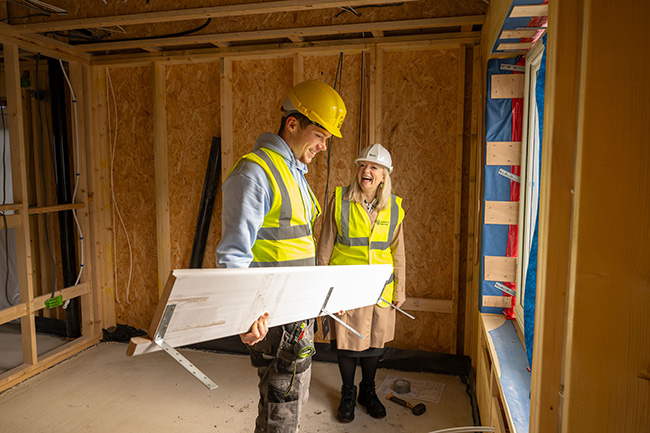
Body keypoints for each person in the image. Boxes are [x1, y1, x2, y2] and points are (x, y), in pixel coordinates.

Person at [215, 80, 346, 433]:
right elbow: (233, 255)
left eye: (326, 139)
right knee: (281, 407)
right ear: (292, 124)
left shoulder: (295, 175)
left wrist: (323, 298)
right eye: (319, 134)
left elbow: (296, 250)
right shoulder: (255, 172)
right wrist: (243, 314)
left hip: (296, 311)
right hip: (273, 316)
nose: (322, 145)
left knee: (293, 401)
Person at [316, 143, 406, 423]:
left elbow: (398, 251)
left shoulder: (394, 207)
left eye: (373, 167)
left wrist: (400, 289)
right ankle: (347, 392)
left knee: (374, 344)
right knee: (345, 344)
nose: (366, 171)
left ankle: (368, 391)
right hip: (346, 286)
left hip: (380, 288)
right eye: (363, 165)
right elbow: (325, 245)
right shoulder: (340, 199)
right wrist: (323, 289)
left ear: (383, 176)